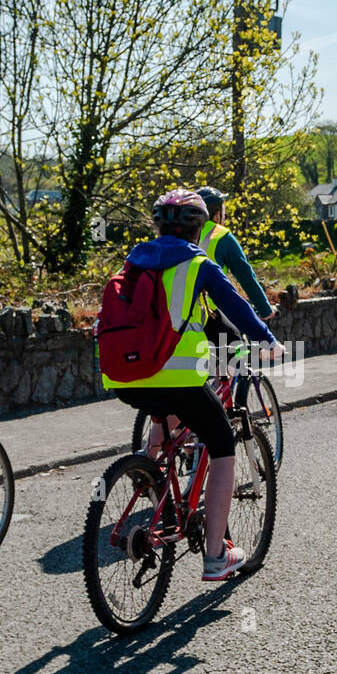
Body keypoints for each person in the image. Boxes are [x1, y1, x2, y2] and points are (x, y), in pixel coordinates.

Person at [100, 189, 283, 581]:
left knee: (165, 420)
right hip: (178, 375)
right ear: (199, 229)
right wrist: (268, 340)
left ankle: (150, 478)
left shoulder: (134, 260)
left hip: (124, 378)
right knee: (221, 445)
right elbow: (236, 306)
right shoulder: (197, 262)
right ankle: (216, 556)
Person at [195, 186, 274, 320]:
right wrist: (265, 310)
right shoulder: (221, 235)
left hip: (181, 315)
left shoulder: (184, 232)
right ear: (218, 213)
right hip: (211, 313)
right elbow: (246, 277)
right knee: (235, 339)